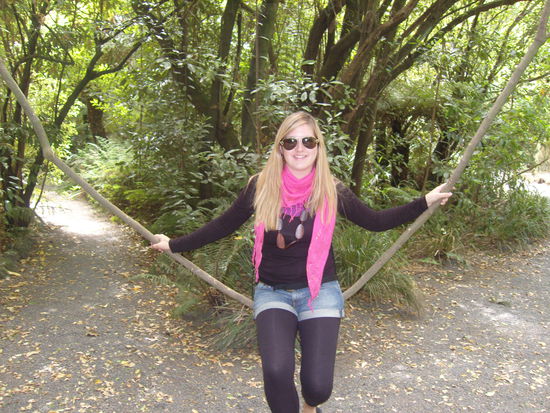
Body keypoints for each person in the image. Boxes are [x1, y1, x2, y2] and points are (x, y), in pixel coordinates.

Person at [151, 111, 452, 413]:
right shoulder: (260, 186)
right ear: (280, 148)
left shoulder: (332, 190)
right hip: (272, 291)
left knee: (318, 388)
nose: (299, 148)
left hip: (320, 291)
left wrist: (425, 201)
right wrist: (173, 245)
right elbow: (222, 225)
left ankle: (310, 406)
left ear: (318, 146)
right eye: (290, 141)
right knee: (276, 371)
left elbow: (375, 221)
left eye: (308, 141)